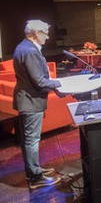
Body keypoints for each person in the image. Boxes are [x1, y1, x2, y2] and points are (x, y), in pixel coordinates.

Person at [13, 20, 62, 189]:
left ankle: (33, 170)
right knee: (32, 140)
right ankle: (35, 177)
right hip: (30, 102)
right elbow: (40, 82)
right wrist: (59, 83)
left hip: (27, 100)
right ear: (36, 34)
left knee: (29, 140)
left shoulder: (23, 47)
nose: (47, 38)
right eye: (45, 34)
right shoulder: (30, 51)